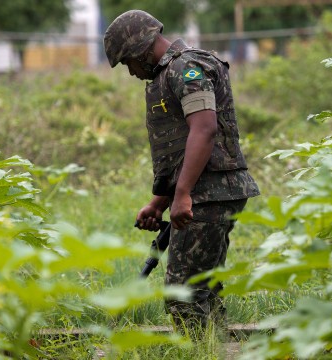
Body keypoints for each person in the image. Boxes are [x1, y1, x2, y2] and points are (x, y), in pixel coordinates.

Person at [103, 10, 260, 333]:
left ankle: (200, 353)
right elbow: (177, 147)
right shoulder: (166, 75)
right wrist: (159, 203)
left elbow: (204, 130)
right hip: (204, 192)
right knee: (202, 288)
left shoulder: (185, 68)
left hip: (210, 192)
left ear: (141, 50)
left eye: (128, 63)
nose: (131, 72)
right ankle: (212, 350)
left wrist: (184, 194)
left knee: (183, 295)